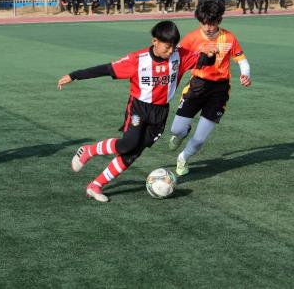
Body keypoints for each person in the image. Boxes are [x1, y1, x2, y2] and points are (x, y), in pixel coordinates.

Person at [58, 21, 217, 202]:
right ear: (155, 41)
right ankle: (88, 151)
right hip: (139, 108)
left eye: (174, 45)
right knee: (128, 144)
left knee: (132, 154)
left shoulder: (179, 56)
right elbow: (106, 69)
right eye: (167, 46)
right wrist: (73, 75)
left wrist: (211, 56)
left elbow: (204, 61)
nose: (171, 50)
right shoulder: (137, 60)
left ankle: (95, 186)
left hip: (160, 113)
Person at [168, 0, 252, 176]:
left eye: (211, 24)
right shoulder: (192, 38)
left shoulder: (229, 38)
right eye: (204, 23)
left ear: (219, 21)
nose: (207, 28)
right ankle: (183, 133)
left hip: (219, 92)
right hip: (197, 86)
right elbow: (178, 58)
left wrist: (246, 74)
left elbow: (241, 60)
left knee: (199, 139)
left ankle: (183, 158)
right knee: (176, 130)